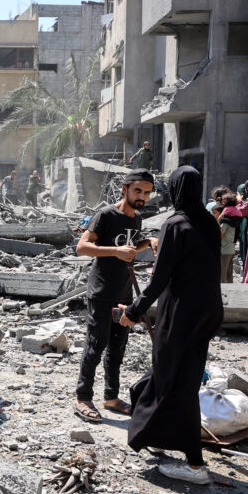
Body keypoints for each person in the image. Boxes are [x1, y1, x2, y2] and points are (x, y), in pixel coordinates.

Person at [118, 165, 223, 485]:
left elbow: (160, 278)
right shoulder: (209, 221)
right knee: (178, 374)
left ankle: (194, 464)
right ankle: (156, 433)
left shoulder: (175, 224)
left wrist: (134, 311)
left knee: (174, 379)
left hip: (181, 312)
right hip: (208, 310)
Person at [73, 169, 158, 423]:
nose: (142, 196)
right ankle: (82, 398)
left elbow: (129, 248)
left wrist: (148, 241)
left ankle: (111, 397)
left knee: (117, 348)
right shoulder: (106, 215)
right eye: (138, 191)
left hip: (123, 291)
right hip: (101, 292)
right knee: (96, 345)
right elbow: (82, 247)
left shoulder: (137, 218)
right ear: (125, 189)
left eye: (147, 193)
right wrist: (115, 251)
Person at [216, 193, 243, 283]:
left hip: (224, 250)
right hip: (231, 249)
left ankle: (223, 290)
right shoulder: (235, 215)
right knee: (229, 273)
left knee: (222, 274)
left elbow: (220, 235)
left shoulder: (225, 223)